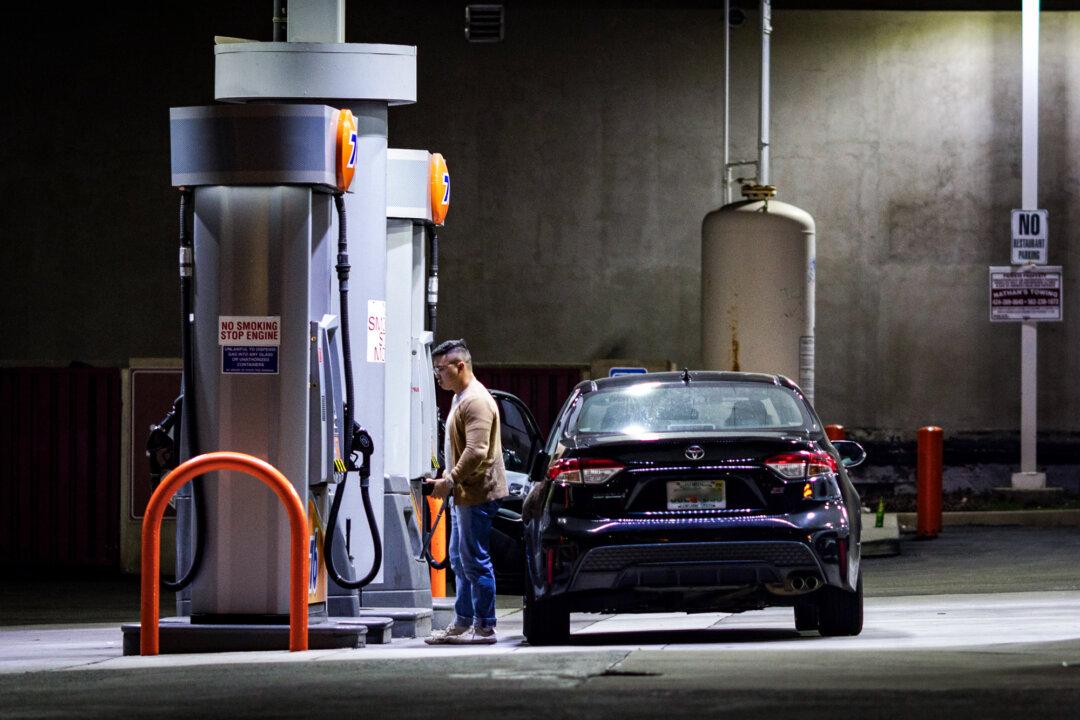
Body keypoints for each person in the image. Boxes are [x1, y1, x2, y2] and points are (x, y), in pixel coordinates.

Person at [424, 339, 507, 645]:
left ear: (460, 366)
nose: (437, 375)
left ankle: (485, 627)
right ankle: (462, 622)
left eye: (440, 368)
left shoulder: (476, 401)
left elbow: (476, 451)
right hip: (464, 493)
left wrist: (451, 478)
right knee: (459, 559)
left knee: (474, 560)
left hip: (477, 493)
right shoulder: (461, 397)